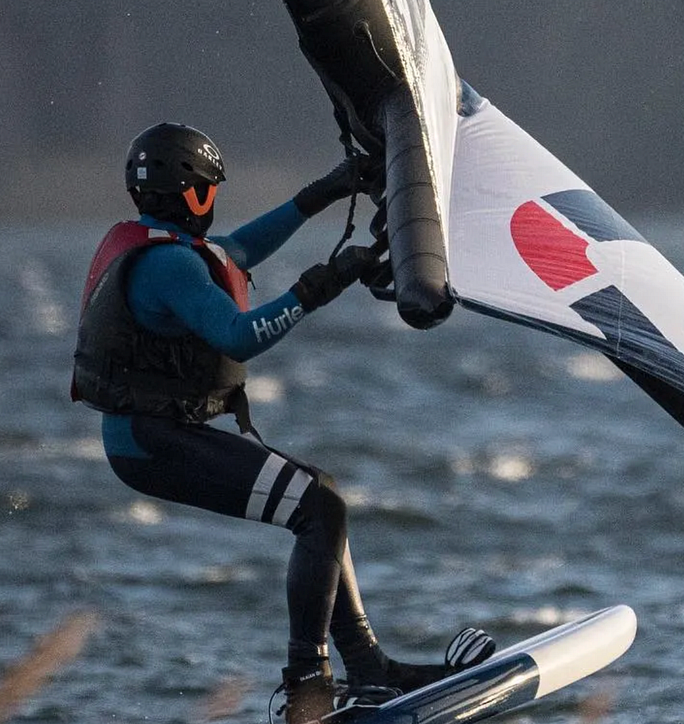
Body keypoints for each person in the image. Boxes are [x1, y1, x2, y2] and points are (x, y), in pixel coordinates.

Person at [72, 122, 494, 723]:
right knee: (317, 508)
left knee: (321, 501)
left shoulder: (159, 246)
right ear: (194, 193)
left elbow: (239, 249)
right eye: (211, 189)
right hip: (151, 443)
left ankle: (365, 668)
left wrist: (323, 193)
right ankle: (309, 686)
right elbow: (238, 336)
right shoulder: (168, 265)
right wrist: (319, 287)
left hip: (149, 436)